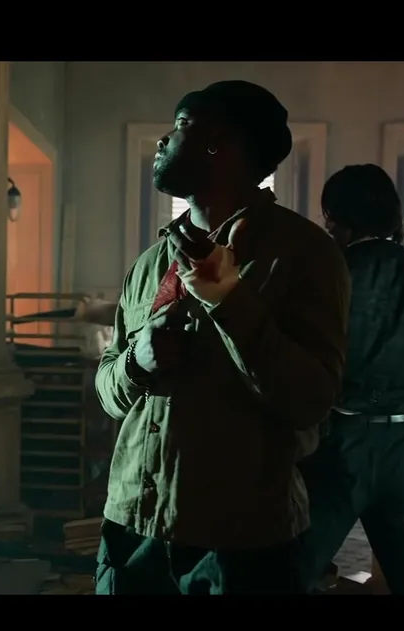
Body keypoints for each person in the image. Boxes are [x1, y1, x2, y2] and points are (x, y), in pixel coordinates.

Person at [94, 81, 351, 594]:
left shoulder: (303, 255)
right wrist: (138, 359)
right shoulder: (151, 264)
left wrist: (229, 300)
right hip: (133, 529)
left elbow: (311, 399)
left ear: (222, 146)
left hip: (241, 542)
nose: (163, 140)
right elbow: (108, 393)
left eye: (181, 125)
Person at [298, 164, 404, 594]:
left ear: (334, 218)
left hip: (335, 442)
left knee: (293, 568)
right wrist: (402, 388)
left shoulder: (321, 273)